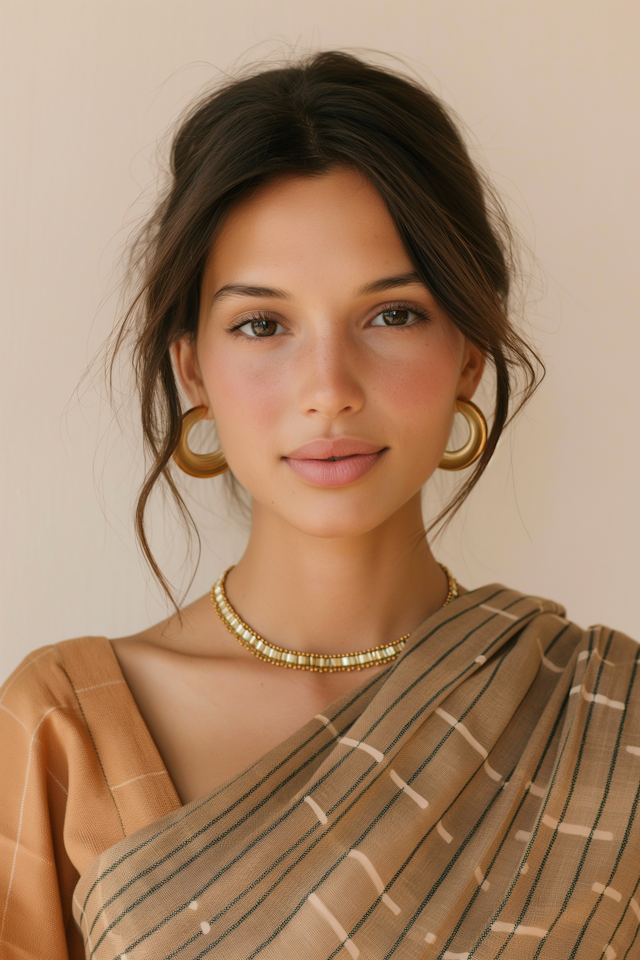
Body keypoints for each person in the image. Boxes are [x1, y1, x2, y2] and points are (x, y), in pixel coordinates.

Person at [1, 51, 638, 960]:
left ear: (468, 350)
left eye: (392, 316)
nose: (329, 389)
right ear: (194, 369)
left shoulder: (608, 724)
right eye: (263, 325)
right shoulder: (64, 729)